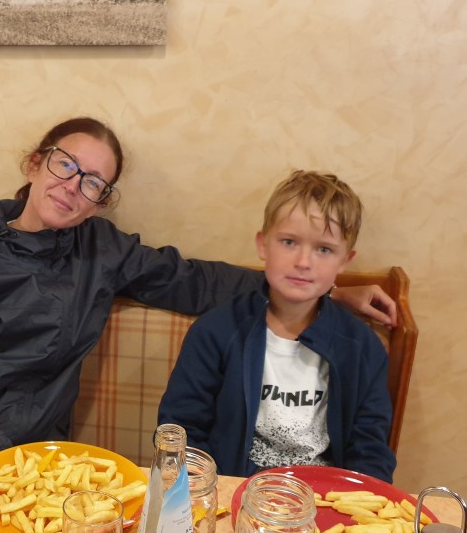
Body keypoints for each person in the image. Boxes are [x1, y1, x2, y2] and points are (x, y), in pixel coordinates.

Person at [0, 118, 398, 533]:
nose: (72, 187)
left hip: (45, 460)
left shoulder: (100, 250)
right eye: (65, 164)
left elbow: (196, 281)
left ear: (100, 200)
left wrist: (328, 292)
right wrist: (3, 463)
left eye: (93, 182)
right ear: (36, 162)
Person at [158, 170, 396, 481]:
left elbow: (371, 452)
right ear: (263, 245)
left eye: (324, 249)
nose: (303, 262)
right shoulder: (215, 332)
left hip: (323, 496)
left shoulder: (362, 347)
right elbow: (182, 432)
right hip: (232, 490)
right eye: (289, 242)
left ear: (344, 261)